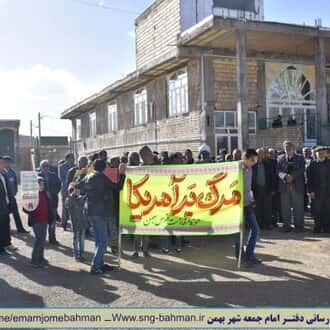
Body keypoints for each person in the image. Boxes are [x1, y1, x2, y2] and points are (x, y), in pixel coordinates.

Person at [77, 159, 126, 275]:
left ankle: (100, 264)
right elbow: (118, 186)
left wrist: (82, 173)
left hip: (90, 211)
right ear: (104, 168)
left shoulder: (89, 176)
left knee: (99, 240)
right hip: (100, 212)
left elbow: (78, 185)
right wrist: (122, 174)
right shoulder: (101, 177)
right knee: (102, 241)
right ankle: (95, 266)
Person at [235, 149, 260, 267]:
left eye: (255, 160)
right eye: (252, 160)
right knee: (239, 232)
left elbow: (248, 187)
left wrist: (251, 197)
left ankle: (249, 255)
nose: (254, 162)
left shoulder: (250, 169)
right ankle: (240, 256)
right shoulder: (236, 168)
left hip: (247, 204)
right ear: (245, 158)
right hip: (236, 205)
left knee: (255, 230)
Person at [25, 177, 53, 268]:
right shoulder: (31, 195)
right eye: (40, 184)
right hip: (36, 221)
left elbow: (50, 206)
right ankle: (34, 260)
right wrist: (32, 210)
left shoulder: (45, 194)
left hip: (44, 220)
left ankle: (40, 257)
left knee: (42, 240)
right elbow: (25, 208)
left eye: (43, 184)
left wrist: (52, 218)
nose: (42, 186)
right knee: (39, 240)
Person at [277, 141, 305, 232]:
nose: (287, 149)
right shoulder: (280, 158)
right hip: (284, 186)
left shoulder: (300, 158)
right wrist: (285, 176)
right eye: (286, 147)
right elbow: (278, 171)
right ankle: (287, 226)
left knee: (298, 207)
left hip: (297, 186)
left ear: (293, 147)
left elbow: (302, 169)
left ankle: (299, 226)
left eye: (289, 147)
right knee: (285, 207)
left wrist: (292, 176)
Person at [130, 149, 151, 258]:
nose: (136, 160)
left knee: (146, 230)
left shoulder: (143, 168)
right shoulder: (130, 170)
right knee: (137, 231)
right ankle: (136, 250)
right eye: (134, 159)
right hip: (136, 204)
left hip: (146, 203)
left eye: (137, 158)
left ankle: (145, 249)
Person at [2, 156, 29, 233]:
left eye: (9, 162)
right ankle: (6, 230)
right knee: (5, 214)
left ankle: (20, 228)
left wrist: (15, 191)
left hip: (11, 196)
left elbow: (15, 183)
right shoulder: (2, 172)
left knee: (16, 213)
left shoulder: (12, 172)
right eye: (7, 162)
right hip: (3, 198)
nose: (8, 164)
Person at [307, 146, 330, 233]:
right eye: (319, 153)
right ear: (316, 154)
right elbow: (309, 179)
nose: (321, 154)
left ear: (325, 153)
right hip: (316, 192)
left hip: (328, 192)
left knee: (327, 210)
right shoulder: (312, 164)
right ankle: (317, 227)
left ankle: (326, 227)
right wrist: (310, 191)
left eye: (322, 153)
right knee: (317, 211)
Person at [252, 148, 276, 230]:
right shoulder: (252, 165)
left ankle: (268, 224)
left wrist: (273, 189)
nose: (260, 156)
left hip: (267, 188)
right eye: (258, 154)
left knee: (268, 208)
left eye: (262, 154)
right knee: (257, 208)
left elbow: (272, 177)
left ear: (264, 155)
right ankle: (259, 224)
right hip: (256, 189)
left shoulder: (268, 164)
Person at [38, 160, 61, 244]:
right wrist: (45, 194)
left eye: (47, 166)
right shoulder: (37, 176)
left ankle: (52, 238)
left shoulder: (53, 175)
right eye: (44, 166)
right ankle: (42, 240)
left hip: (53, 202)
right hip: (42, 204)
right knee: (42, 222)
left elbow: (59, 185)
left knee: (53, 221)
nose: (45, 168)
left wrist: (52, 193)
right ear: (40, 167)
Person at [66, 188, 88, 260]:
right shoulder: (69, 199)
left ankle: (82, 255)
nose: (78, 192)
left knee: (82, 241)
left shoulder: (82, 198)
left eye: (79, 190)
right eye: (76, 190)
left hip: (83, 223)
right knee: (76, 240)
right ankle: (76, 255)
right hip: (75, 224)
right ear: (73, 191)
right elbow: (67, 205)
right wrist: (73, 195)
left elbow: (86, 198)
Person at [58, 153, 75, 230]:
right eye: (71, 158)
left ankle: (73, 223)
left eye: (73, 158)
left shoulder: (75, 166)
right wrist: (69, 183)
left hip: (74, 189)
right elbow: (61, 179)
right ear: (67, 159)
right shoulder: (61, 167)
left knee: (74, 207)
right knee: (65, 207)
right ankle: (64, 223)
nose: (73, 159)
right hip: (65, 189)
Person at [0, 156, 12, 256]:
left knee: (6, 225)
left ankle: (6, 244)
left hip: (5, 204)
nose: (4, 164)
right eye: (2, 163)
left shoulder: (3, 174)